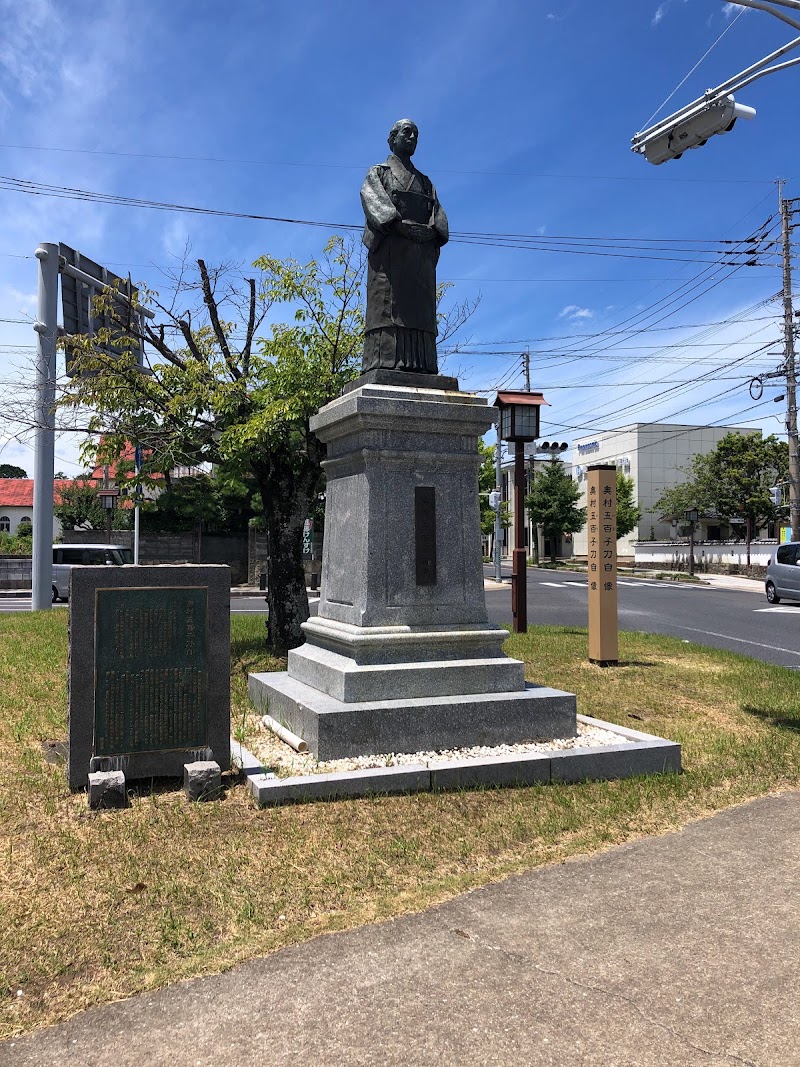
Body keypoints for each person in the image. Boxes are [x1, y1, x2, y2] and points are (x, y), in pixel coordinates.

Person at [360, 119, 449, 374]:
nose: (412, 138)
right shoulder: (378, 173)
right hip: (389, 259)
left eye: (416, 134)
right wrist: (399, 226)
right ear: (392, 138)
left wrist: (429, 233)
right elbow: (374, 203)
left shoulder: (425, 182)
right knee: (387, 313)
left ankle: (422, 363)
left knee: (420, 315)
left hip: (419, 261)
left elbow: (439, 220)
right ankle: (385, 361)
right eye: (406, 132)